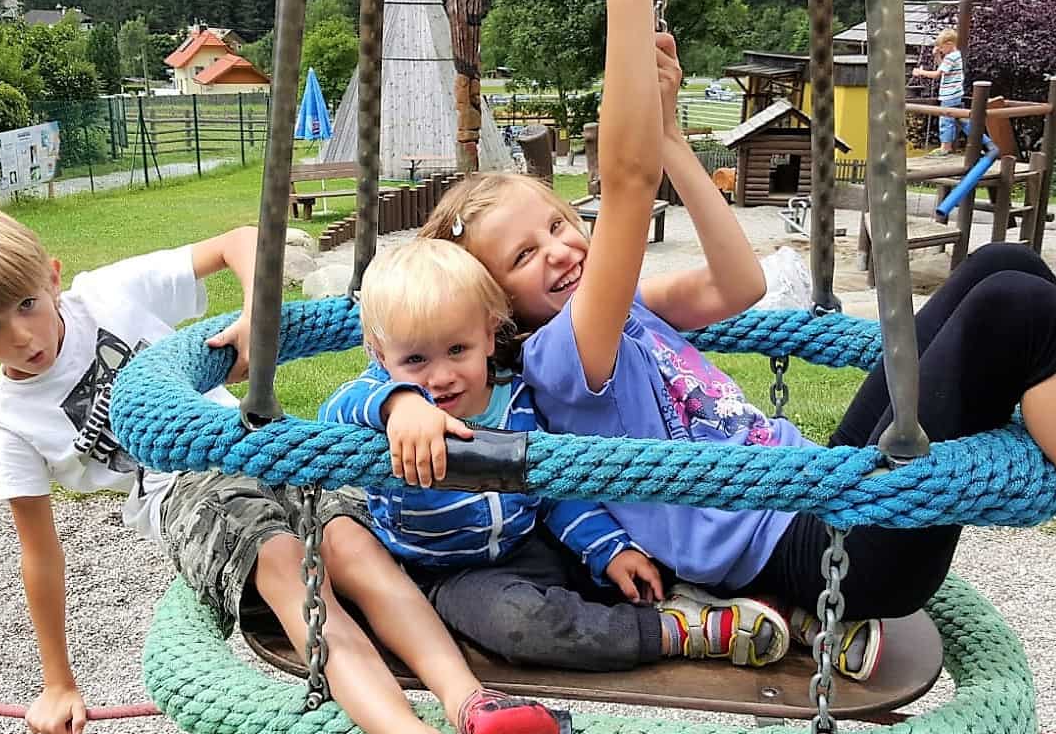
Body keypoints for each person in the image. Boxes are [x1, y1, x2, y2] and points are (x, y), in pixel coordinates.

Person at [393, 0, 1056, 652]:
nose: (558, 250)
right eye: (523, 256)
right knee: (1020, 318)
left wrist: (672, 145)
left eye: (556, 225)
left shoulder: (621, 316)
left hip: (818, 490)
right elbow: (621, 188)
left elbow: (736, 283)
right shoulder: (562, 359)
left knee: (1003, 270)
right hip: (830, 556)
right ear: (498, 308)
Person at [0, 207, 562, 734]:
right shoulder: (12, 417)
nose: (22, 335)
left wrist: (255, 311)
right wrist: (57, 680)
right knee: (290, 569)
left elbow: (239, 241)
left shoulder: (106, 294)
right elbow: (39, 553)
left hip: (254, 442)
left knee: (354, 548)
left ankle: (472, 705)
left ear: (51, 277)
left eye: (27, 303)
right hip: (186, 490)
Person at [321, 238, 790, 670]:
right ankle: (673, 631)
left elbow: (554, 492)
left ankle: (727, 602)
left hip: (529, 542)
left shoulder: (519, 401)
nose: (440, 377)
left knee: (631, 549)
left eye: (457, 349)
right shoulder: (383, 400)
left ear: (489, 336)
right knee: (521, 624)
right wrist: (397, 403)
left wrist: (609, 549)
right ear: (382, 357)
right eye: (415, 361)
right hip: (448, 569)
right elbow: (332, 416)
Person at [912, 28, 966, 156]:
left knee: (945, 120)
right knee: (961, 120)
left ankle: (945, 147)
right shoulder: (955, 55)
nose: (940, 50)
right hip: (956, 93)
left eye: (941, 48)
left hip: (949, 95)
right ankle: (985, 141)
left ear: (949, 44)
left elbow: (937, 74)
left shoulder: (951, 58)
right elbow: (943, 68)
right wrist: (937, 55)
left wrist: (921, 72)